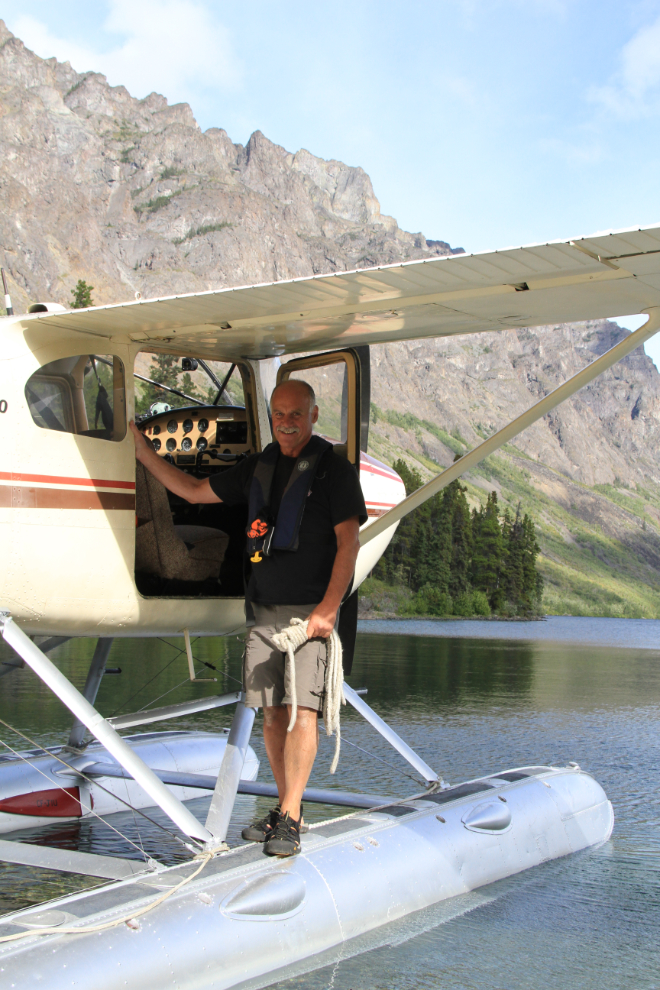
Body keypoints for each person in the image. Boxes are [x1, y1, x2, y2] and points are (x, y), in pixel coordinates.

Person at [129, 378, 367, 856]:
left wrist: (327, 609)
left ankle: (293, 818)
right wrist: (142, 451)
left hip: (308, 615)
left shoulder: (333, 471)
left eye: (296, 414)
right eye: (279, 413)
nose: (286, 422)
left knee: (303, 712)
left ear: (314, 415)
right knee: (272, 716)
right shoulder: (257, 467)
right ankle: (285, 809)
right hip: (262, 609)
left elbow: (349, 544)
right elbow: (195, 491)